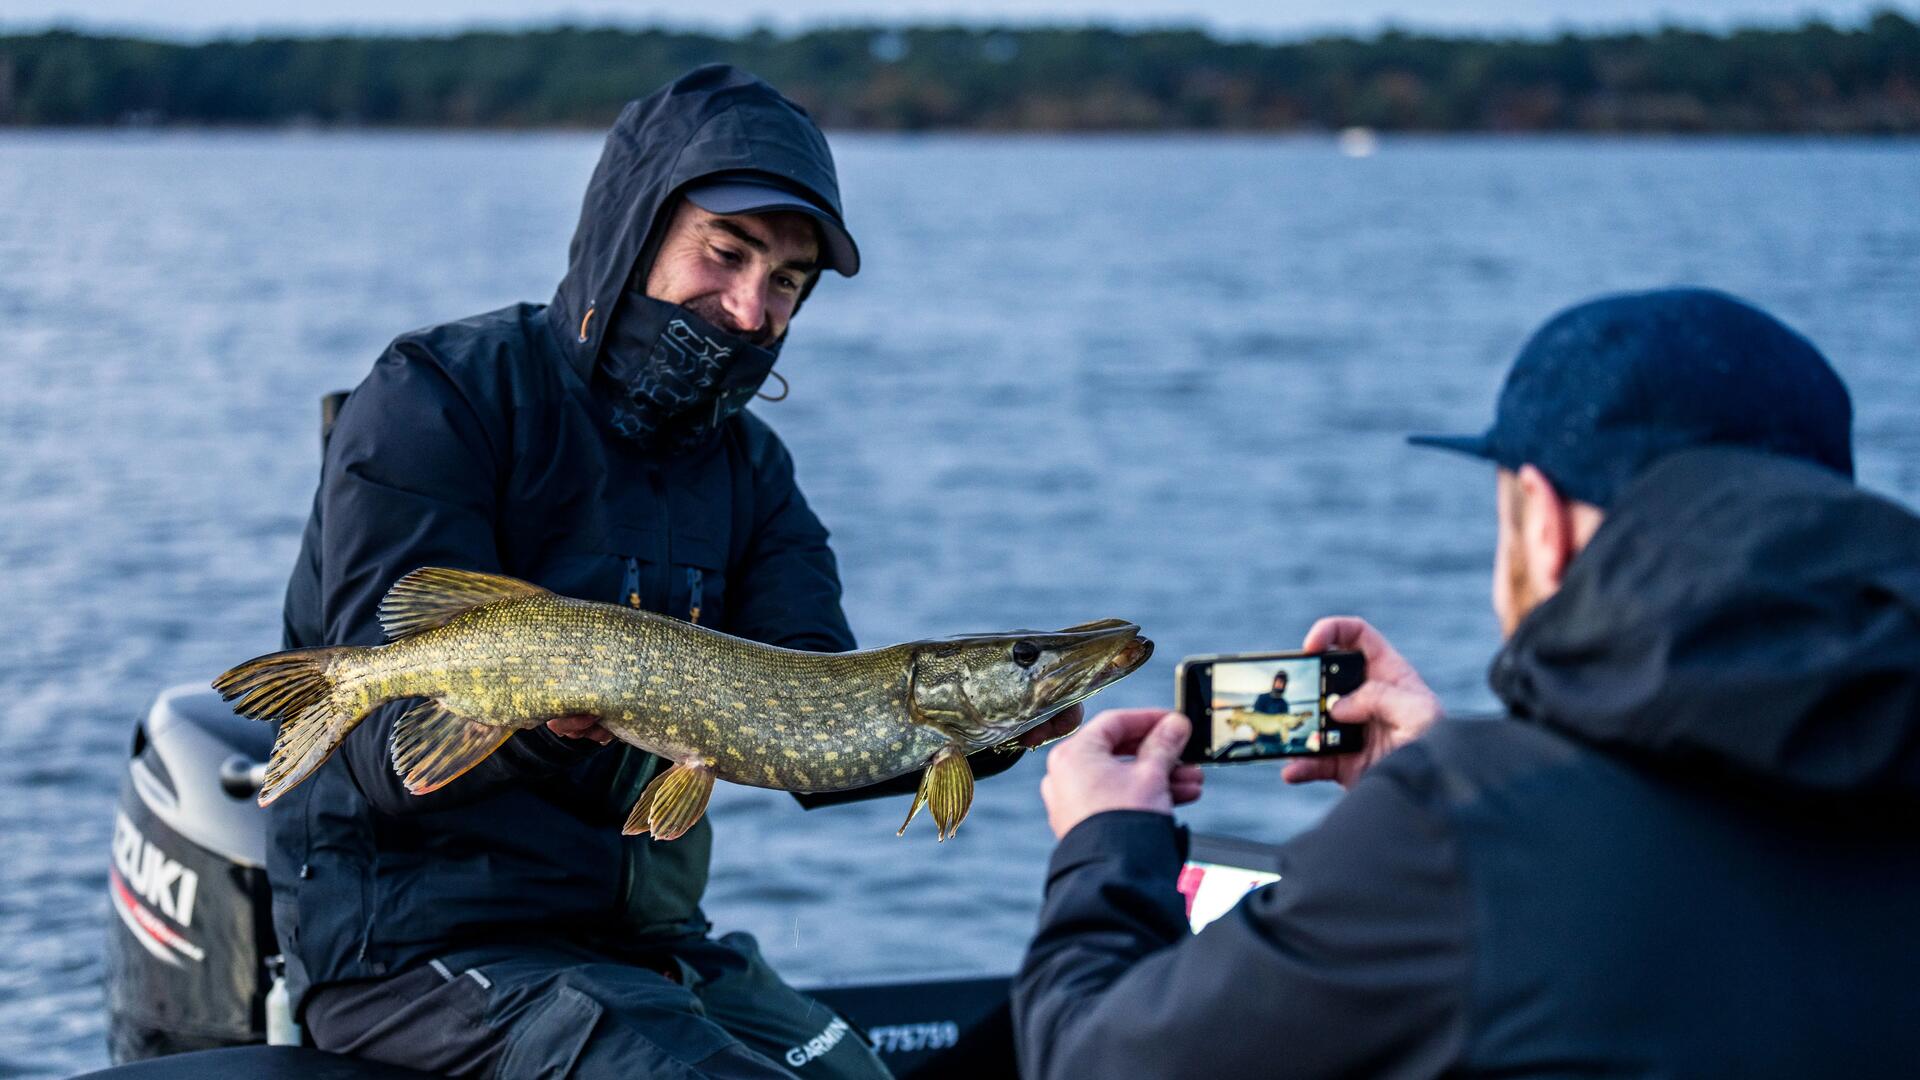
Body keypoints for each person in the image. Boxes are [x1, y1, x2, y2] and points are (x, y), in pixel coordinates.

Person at [270, 65, 1075, 1079]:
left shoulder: (752, 472)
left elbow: (812, 707)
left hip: (641, 943)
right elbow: (385, 759)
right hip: (412, 948)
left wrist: (991, 733)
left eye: (786, 280)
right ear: (634, 238)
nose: (750, 308)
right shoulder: (439, 399)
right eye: (726, 254)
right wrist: (548, 722)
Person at [1014, 288, 1920, 1078]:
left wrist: (1103, 846)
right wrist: (1473, 767)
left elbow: (1095, 1060)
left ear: (1545, 523)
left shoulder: (1457, 837)